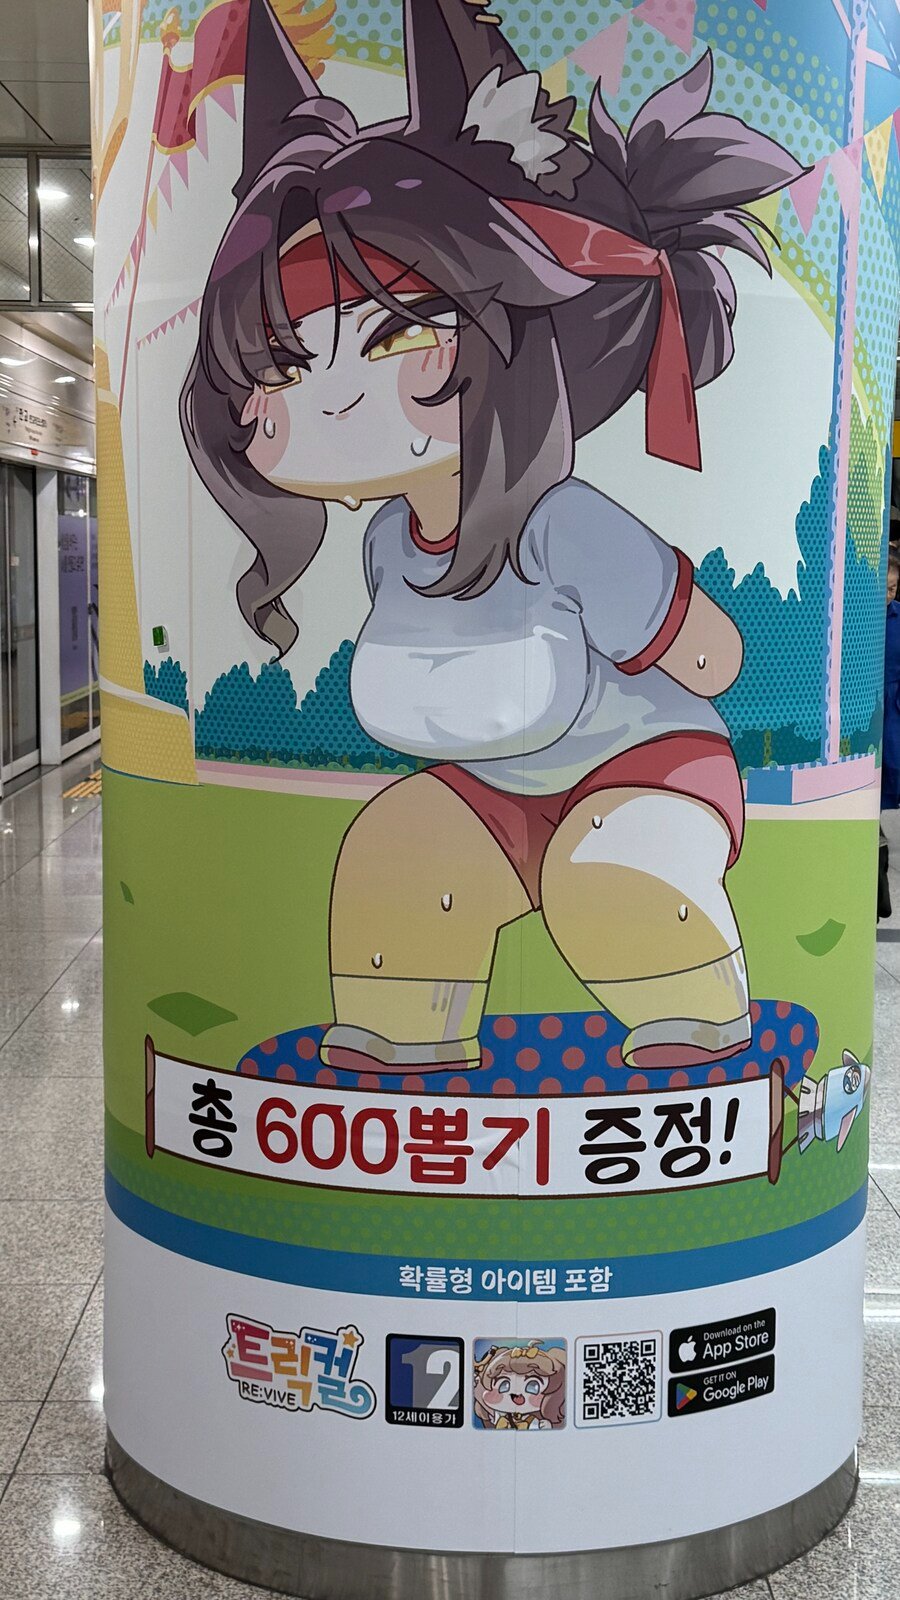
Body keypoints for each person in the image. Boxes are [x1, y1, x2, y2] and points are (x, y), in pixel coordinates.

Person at [182, 0, 804, 1074]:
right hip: (493, 784)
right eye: (282, 369)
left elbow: (711, 655)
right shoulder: (391, 541)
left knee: (608, 876)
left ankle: (696, 1020)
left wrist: (687, 659)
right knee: (394, 851)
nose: (323, 401)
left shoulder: (561, 524)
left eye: (387, 340)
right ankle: (403, 1037)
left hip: (645, 767)